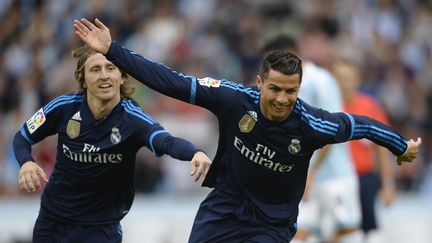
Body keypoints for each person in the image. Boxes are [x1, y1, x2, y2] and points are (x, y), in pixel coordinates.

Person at [73, 18, 421, 242]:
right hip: (224, 207)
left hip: (271, 225)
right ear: (259, 83)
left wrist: (400, 145)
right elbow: (172, 83)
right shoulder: (233, 100)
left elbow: (361, 125)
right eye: (275, 89)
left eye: (291, 91)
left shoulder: (312, 123)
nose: (283, 99)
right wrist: (113, 51)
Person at [13, 45, 212, 243]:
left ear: (122, 76)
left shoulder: (132, 119)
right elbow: (22, 137)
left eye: (110, 68)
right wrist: (26, 162)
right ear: (83, 79)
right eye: (95, 69)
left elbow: (165, 141)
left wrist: (195, 153)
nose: (104, 75)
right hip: (53, 222)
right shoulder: (63, 108)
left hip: (101, 228)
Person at [263, 35, 363, 243]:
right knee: (299, 234)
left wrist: (312, 172)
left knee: (347, 232)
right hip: (302, 175)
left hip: (333, 174)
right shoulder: (282, 86)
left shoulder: (320, 80)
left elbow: (332, 130)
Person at [332, 59, 396, 241]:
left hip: (364, 178)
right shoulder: (326, 108)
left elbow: (382, 148)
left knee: (367, 230)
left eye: (346, 78)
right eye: (338, 78)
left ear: (356, 79)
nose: (342, 82)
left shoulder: (369, 107)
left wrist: (388, 183)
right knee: (337, 230)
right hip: (335, 180)